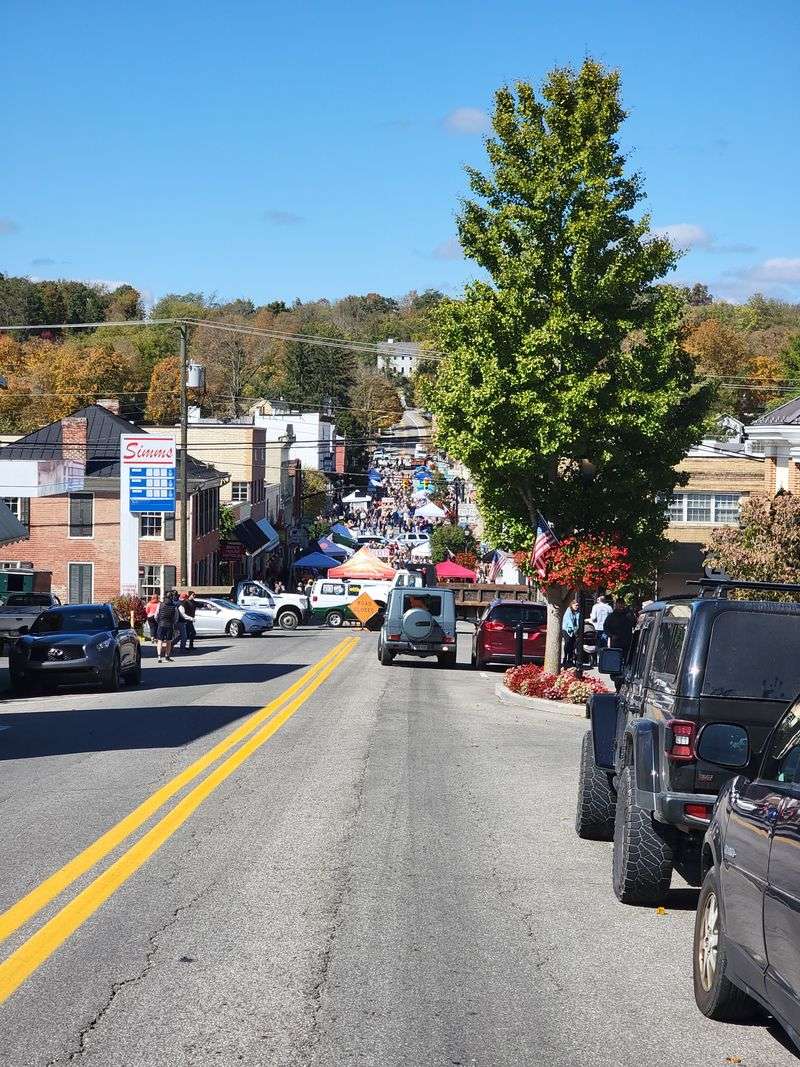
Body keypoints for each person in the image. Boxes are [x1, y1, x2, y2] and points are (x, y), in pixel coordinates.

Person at [155, 591, 178, 662]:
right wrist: (173, 623)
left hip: (161, 624)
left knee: (160, 640)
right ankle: (167, 656)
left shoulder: (160, 604)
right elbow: (176, 617)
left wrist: (159, 622)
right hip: (170, 625)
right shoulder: (174, 606)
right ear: (171, 597)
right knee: (169, 641)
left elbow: (156, 615)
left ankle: (159, 657)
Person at [562, 599, 580, 667]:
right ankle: (565, 657)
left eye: (578, 605)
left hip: (574, 630)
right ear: (572, 605)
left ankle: (570, 659)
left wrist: (577, 628)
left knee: (572, 645)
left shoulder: (577, 612)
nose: (577, 607)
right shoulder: (568, 611)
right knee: (567, 643)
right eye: (575, 605)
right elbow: (569, 621)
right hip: (567, 629)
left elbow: (578, 621)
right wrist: (573, 628)